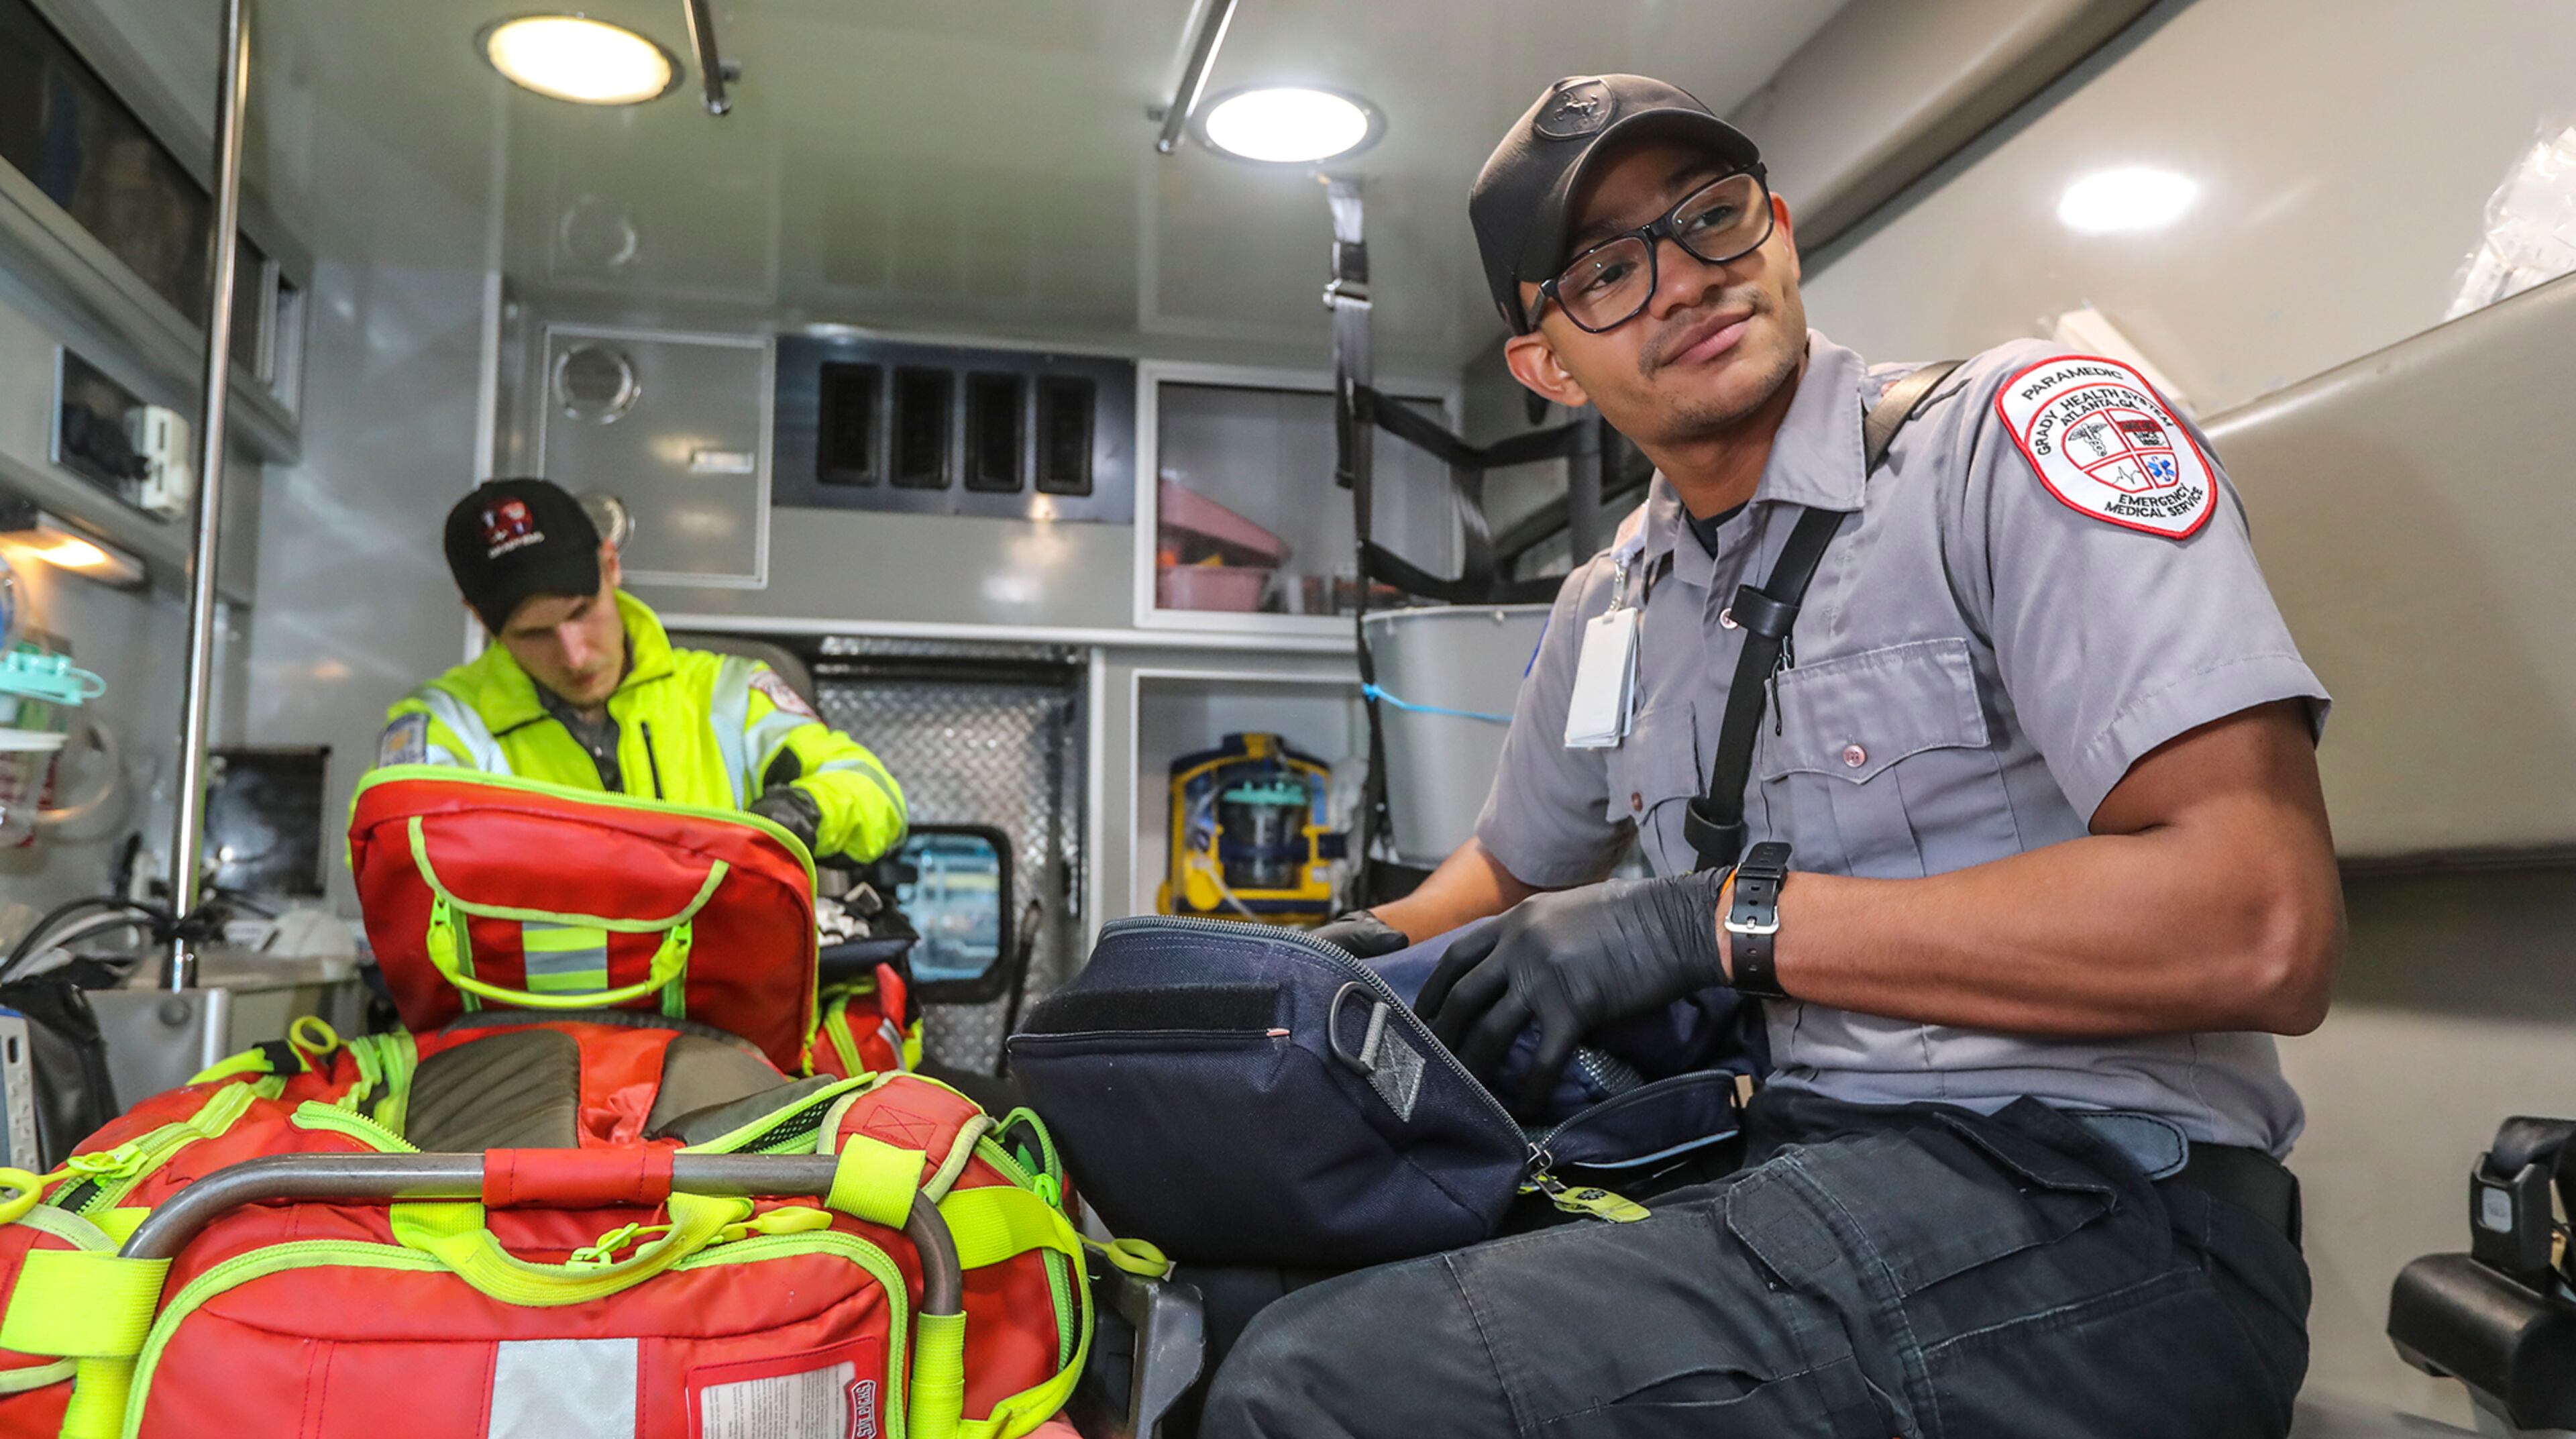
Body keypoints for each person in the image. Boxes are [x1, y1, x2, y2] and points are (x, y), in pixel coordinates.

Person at [1211, 74, 2340, 1436]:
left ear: (1781, 232)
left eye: (1712, 217)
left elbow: (2259, 921)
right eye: (1607, 269)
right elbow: (1510, 870)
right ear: (1547, 364)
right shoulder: (1612, 602)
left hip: (2114, 1212)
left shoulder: (2011, 443)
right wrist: (1312, 964)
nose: (1683, 279)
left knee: (1323, 1384)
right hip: (1802, 1167)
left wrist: (1714, 921)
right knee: (1233, 1289)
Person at [376, 477, 907, 863]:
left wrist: (806, 810)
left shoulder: (728, 692)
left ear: (611, 565)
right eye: (532, 634)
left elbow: (873, 792)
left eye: (581, 612)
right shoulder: (445, 723)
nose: (575, 655)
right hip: (532, 1019)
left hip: (719, 1015)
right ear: (478, 616)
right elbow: (393, 855)